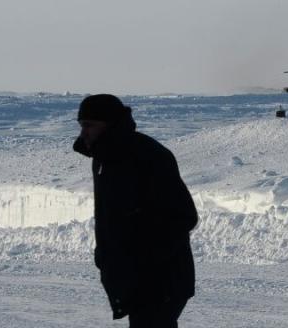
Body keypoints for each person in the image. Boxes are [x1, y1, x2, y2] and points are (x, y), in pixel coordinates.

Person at [73, 94, 197, 327]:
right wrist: (108, 256)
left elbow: (183, 216)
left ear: (110, 125)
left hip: (160, 279)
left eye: (90, 125)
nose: (83, 133)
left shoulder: (147, 155)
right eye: (81, 125)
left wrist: (144, 260)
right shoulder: (104, 158)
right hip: (133, 278)